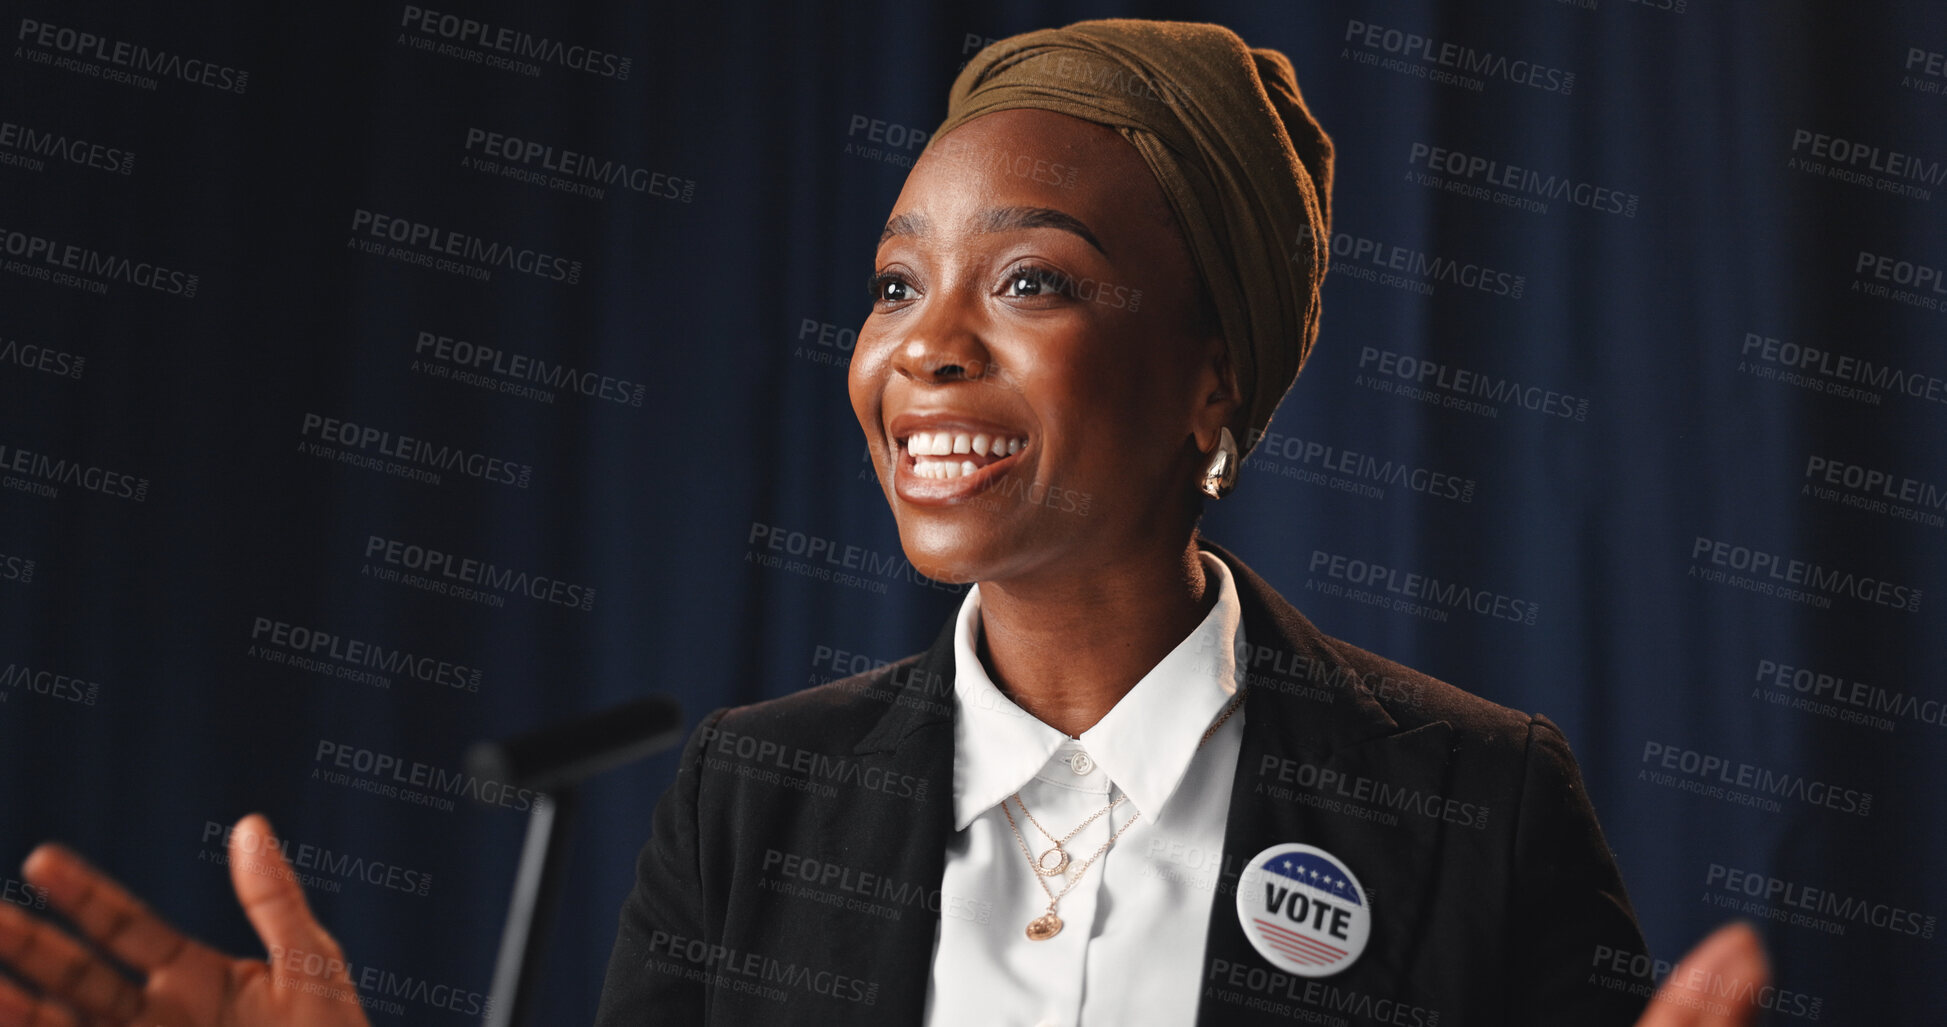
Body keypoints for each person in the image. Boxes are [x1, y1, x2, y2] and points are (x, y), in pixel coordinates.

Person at [0, 18, 1770, 1027]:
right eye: (896, 282)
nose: (924, 345)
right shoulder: (755, 798)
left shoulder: (1468, 799)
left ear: (1212, 379)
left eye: (1031, 280)